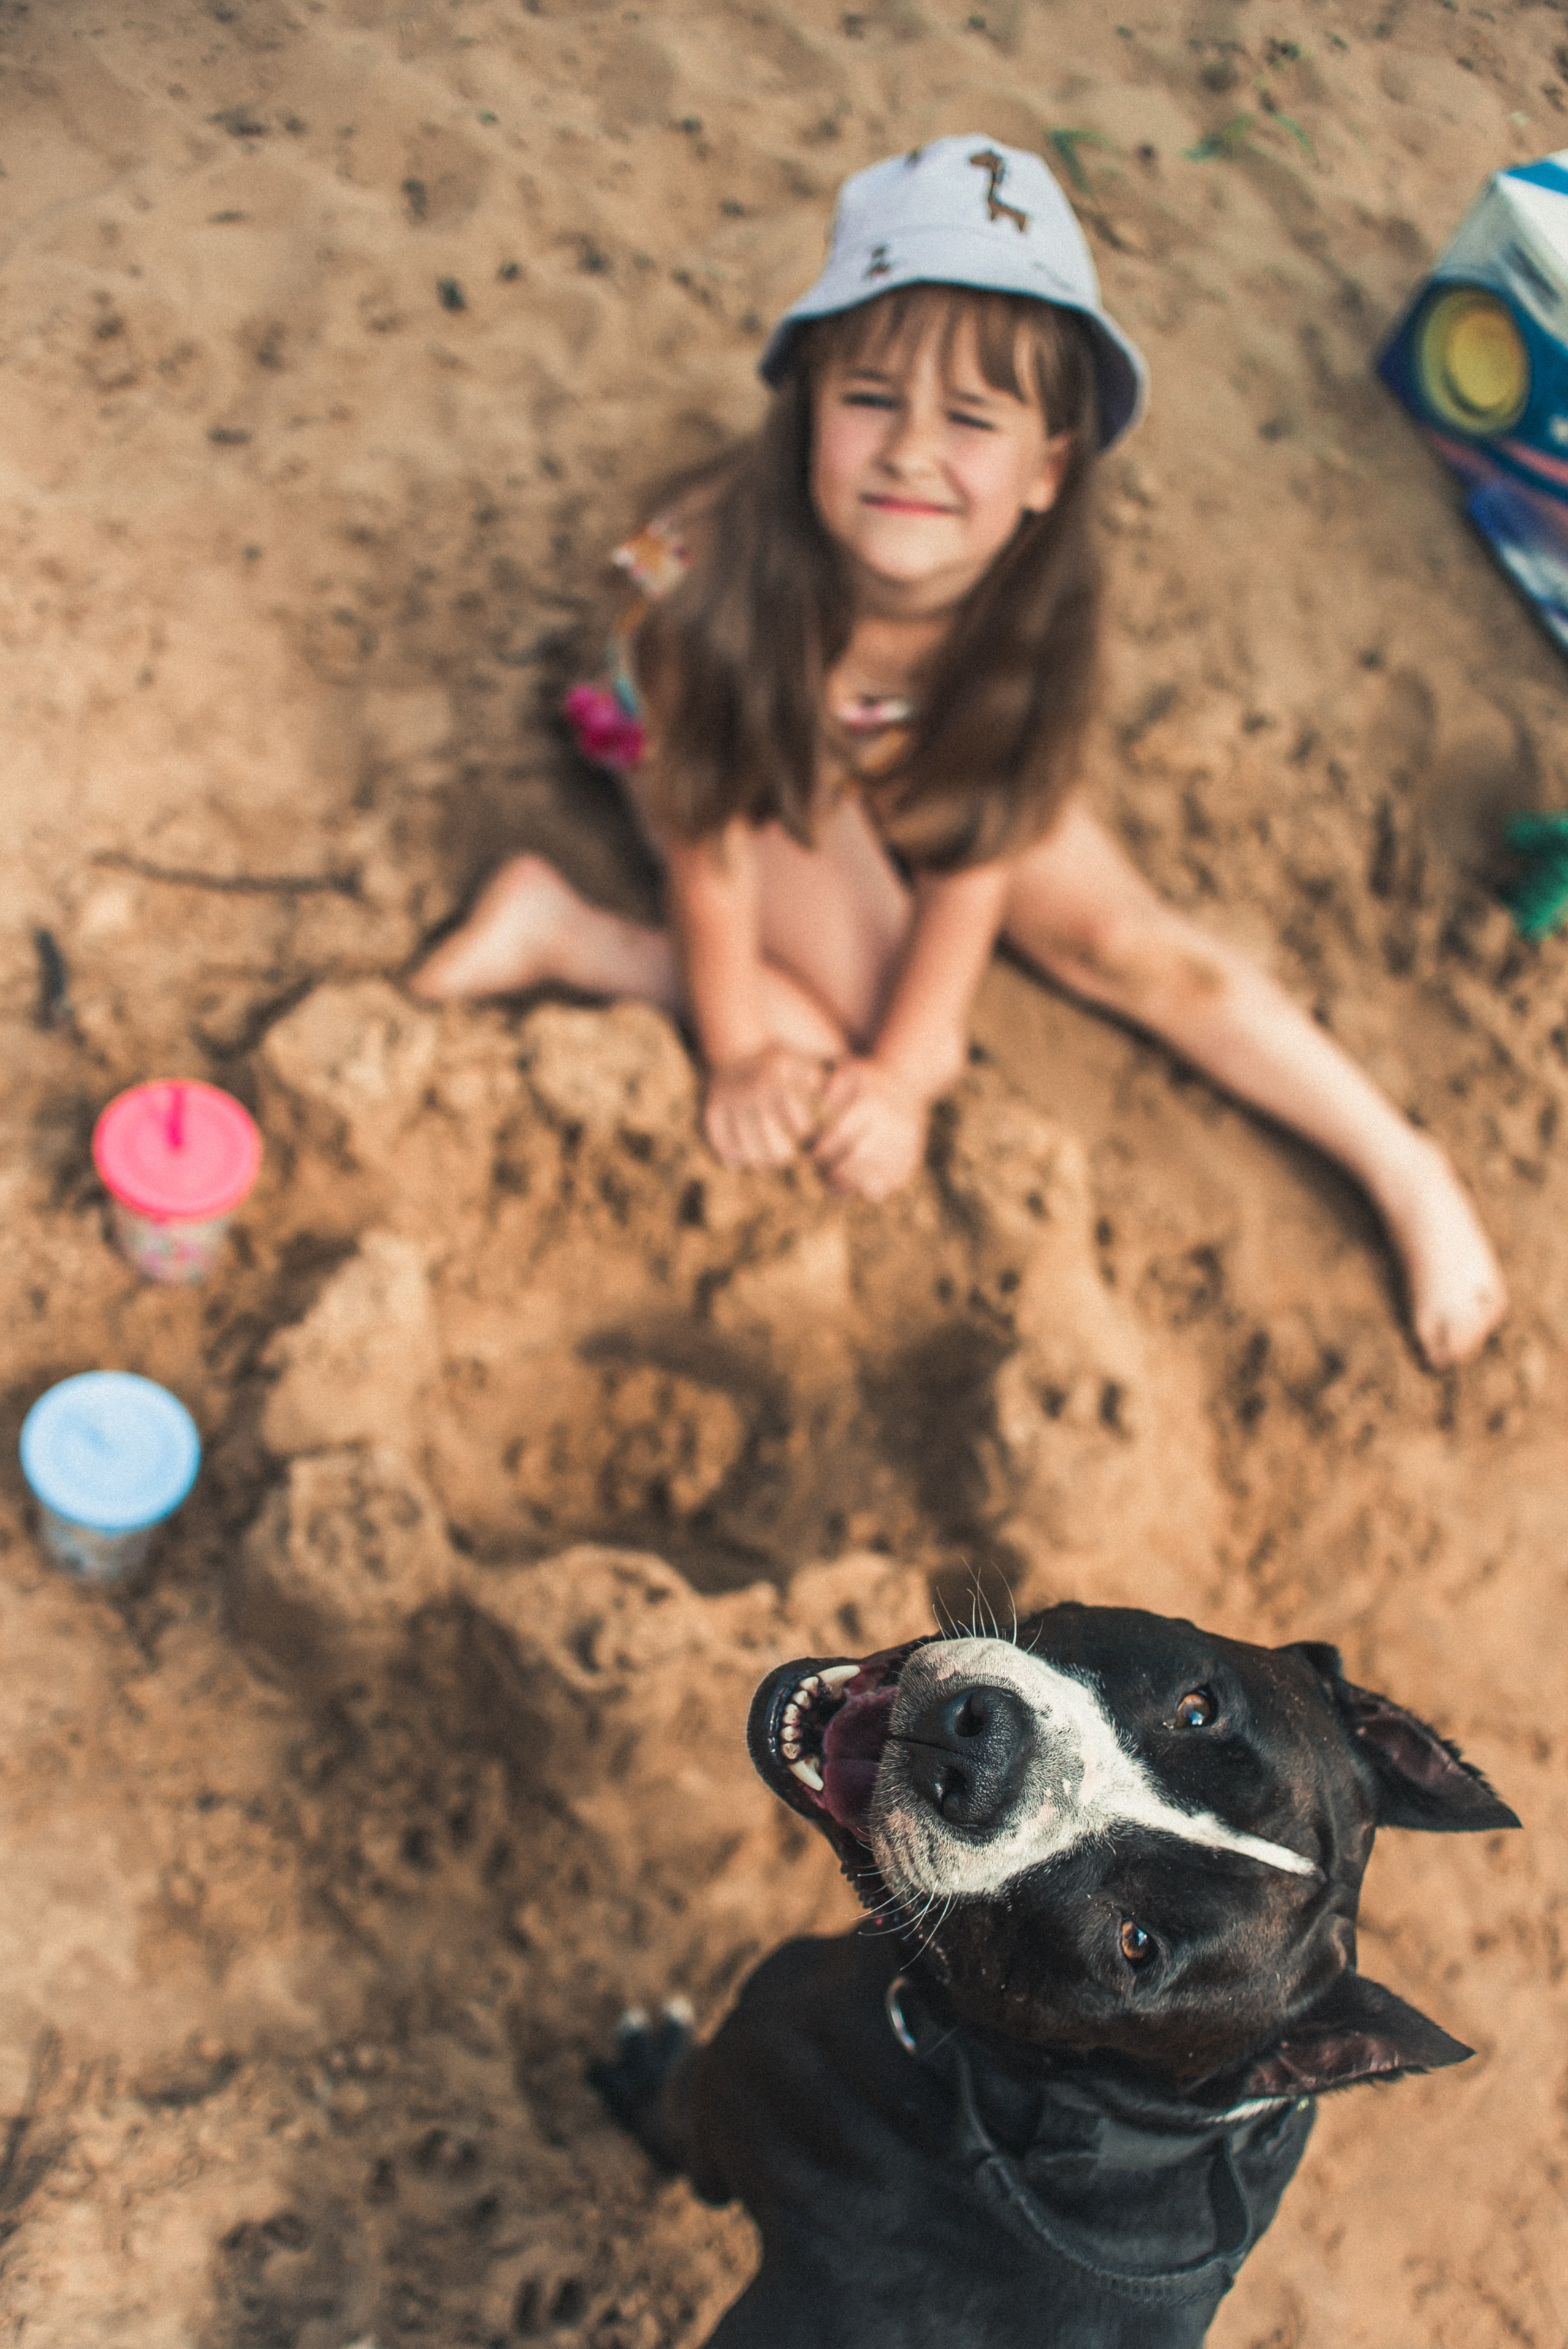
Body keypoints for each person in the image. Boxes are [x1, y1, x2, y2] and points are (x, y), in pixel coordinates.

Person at [412, 137, 1506, 1370]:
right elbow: (707, 854)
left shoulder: (1027, 614)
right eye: (869, 399)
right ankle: (565, 931)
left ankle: (1398, 1160)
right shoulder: (710, 595)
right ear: (807, 407)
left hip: (894, 737)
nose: (910, 454)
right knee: (822, 1045)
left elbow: (975, 845)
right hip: (712, 737)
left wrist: (909, 1075)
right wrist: (749, 1055)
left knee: (1121, 946)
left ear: (1045, 469)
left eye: (970, 419)